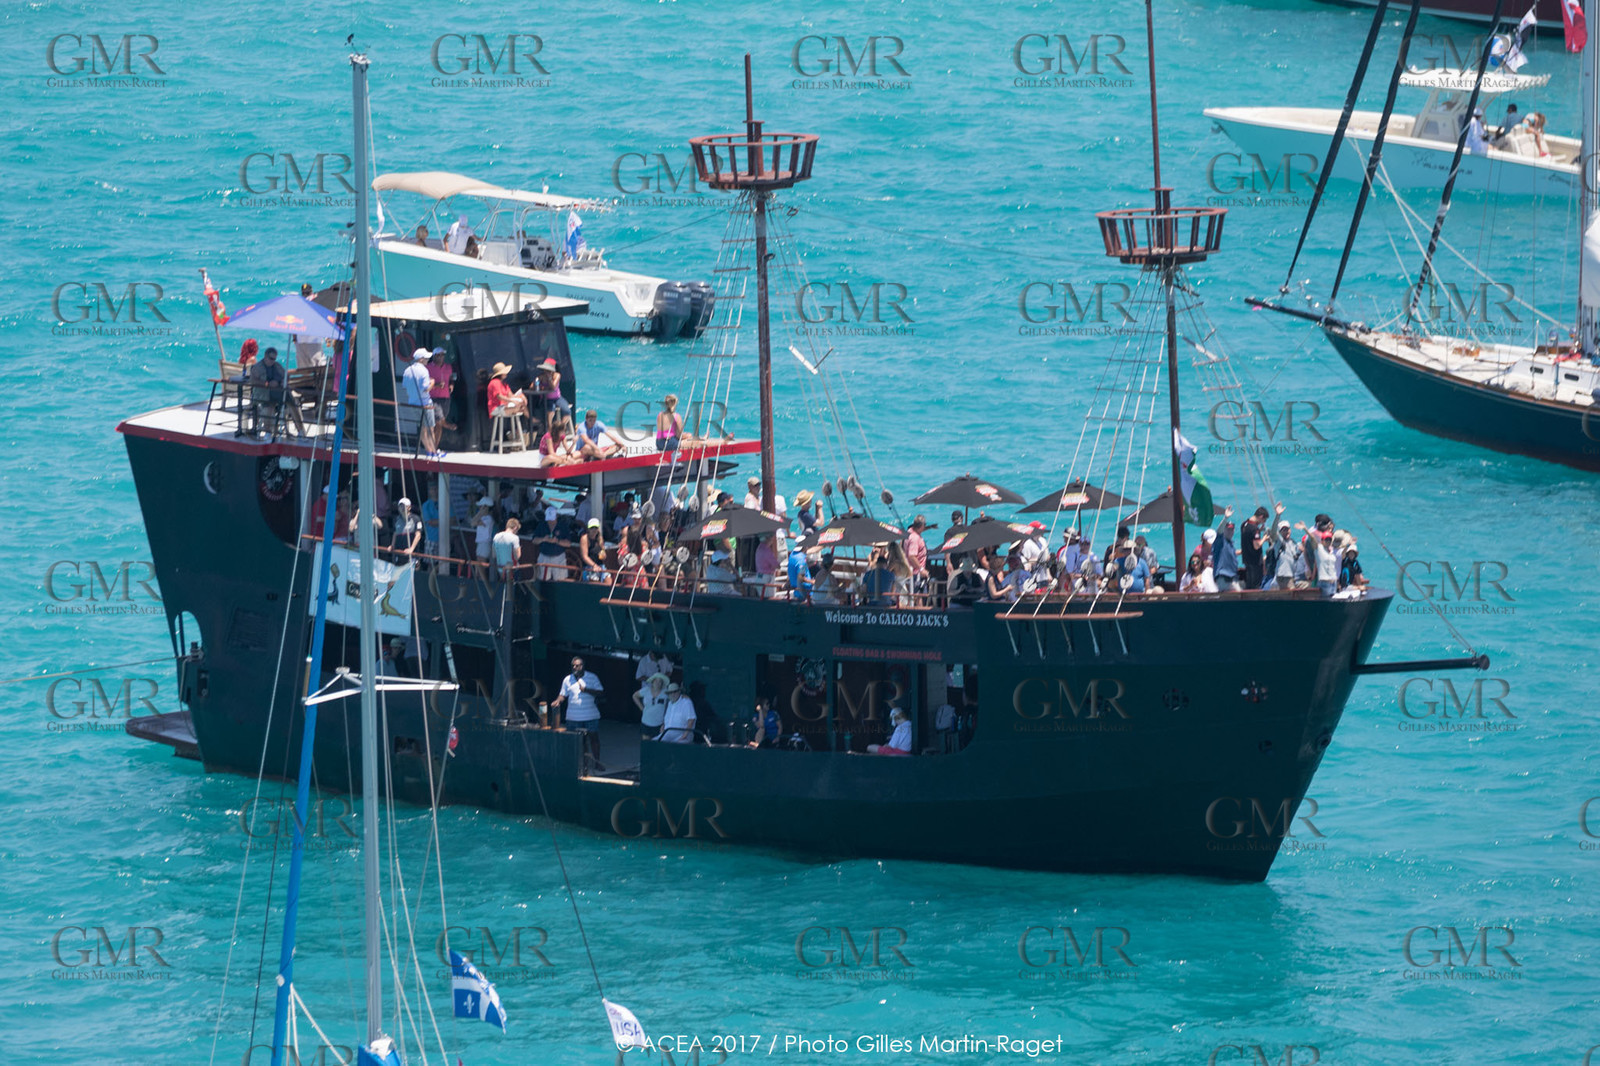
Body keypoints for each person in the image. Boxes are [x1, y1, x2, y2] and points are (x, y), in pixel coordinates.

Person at [555, 657, 604, 765]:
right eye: (573, 665)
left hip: (590, 715)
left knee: (594, 739)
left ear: (582, 666)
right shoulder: (567, 679)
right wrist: (558, 701)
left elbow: (601, 693)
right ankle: (582, 764)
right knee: (578, 741)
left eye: (577, 665)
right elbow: (563, 694)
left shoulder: (592, 677)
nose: (574, 667)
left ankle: (597, 762)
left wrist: (586, 690)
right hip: (573, 717)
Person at [248, 347, 304, 438]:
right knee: (268, 406)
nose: (273, 361)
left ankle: (300, 431)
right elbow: (253, 381)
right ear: (266, 357)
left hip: (278, 393)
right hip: (264, 394)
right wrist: (267, 384)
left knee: (293, 404)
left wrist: (283, 381)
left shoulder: (277, 366)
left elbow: (286, 376)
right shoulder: (257, 367)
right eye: (271, 358)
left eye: (274, 359)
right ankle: (268, 431)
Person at [402, 348, 441, 457]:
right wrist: (432, 382)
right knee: (430, 429)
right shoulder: (424, 370)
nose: (428, 360)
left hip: (413, 403)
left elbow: (405, 387)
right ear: (421, 359)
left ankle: (429, 451)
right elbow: (426, 388)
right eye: (426, 358)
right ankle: (433, 452)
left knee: (422, 429)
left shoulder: (407, 370)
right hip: (425, 404)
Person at [427, 347, 456, 431]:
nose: (441, 357)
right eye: (438, 355)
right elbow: (424, 384)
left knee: (439, 425)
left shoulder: (448, 367)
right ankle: (447, 425)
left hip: (446, 398)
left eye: (442, 355)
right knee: (439, 419)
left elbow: (451, 378)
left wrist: (451, 384)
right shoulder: (428, 368)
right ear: (434, 356)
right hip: (433, 398)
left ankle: (435, 444)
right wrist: (436, 385)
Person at [1239, 506, 1269, 589]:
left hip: (1246, 559)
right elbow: (1257, 545)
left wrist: (1259, 531)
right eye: (1264, 520)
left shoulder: (1244, 524)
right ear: (1261, 517)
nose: (1263, 523)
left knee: (1249, 583)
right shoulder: (1254, 529)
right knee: (1256, 585)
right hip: (1255, 561)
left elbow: (1249, 537)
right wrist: (1264, 538)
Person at [633, 672, 670, 738]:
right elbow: (635, 696)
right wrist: (642, 708)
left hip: (659, 723)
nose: (657, 683)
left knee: (656, 745)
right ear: (652, 682)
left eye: (660, 681)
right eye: (656, 681)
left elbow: (674, 698)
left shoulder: (666, 692)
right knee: (646, 744)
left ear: (662, 684)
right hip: (646, 722)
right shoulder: (646, 690)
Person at [1212, 508, 1240, 591]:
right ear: (1224, 530)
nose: (1230, 531)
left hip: (1232, 577)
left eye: (1232, 529)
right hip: (1223, 577)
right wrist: (1225, 518)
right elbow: (1219, 532)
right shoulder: (1220, 541)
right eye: (1228, 529)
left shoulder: (1231, 544)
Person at [903, 515, 930, 595]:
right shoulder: (914, 538)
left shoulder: (909, 532)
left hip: (911, 572)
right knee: (918, 596)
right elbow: (912, 556)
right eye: (924, 525)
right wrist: (921, 569)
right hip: (916, 573)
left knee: (917, 596)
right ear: (921, 526)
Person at [787, 534, 814, 602]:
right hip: (804, 593)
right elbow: (801, 578)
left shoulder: (792, 555)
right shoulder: (801, 559)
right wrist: (813, 581)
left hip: (796, 591)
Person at [472, 496, 494, 576]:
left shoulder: (488, 519)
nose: (479, 507)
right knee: (478, 569)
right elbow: (473, 522)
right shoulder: (483, 517)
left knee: (481, 569)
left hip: (484, 544)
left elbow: (473, 522)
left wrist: (480, 512)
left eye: (481, 506)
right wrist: (480, 513)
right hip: (480, 543)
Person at [420, 486, 440, 559]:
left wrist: (438, 522)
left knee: (444, 562)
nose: (434, 491)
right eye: (432, 489)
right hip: (431, 538)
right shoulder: (426, 505)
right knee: (430, 563)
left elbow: (453, 520)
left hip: (445, 539)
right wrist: (445, 521)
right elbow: (430, 522)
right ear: (429, 491)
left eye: (436, 488)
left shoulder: (446, 503)